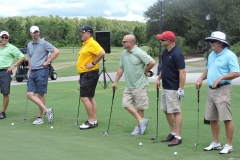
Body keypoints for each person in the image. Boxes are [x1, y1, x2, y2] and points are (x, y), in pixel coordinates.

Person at [195, 31, 240, 154]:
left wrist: (221, 78)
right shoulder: (212, 55)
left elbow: (236, 73)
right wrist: (200, 79)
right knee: (212, 118)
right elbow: (208, 70)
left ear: (221, 43)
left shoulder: (229, 55)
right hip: (211, 90)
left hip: (223, 89)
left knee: (226, 118)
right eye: (210, 41)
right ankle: (216, 143)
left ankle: (229, 145)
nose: (211, 43)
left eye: (213, 41)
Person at [112, 34, 155, 135]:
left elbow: (152, 62)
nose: (122, 43)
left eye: (124, 41)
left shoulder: (139, 52)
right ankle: (141, 121)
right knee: (126, 104)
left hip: (140, 84)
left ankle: (139, 127)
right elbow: (120, 68)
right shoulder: (124, 54)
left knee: (140, 107)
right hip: (129, 85)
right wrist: (115, 81)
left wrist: (146, 71)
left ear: (130, 43)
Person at [155, 31, 186, 146]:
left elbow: (182, 72)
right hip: (166, 86)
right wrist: (158, 78)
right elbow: (164, 68)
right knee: (166, 109)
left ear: (168, 41)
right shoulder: (165, 52)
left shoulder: (177, 54)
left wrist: (180, 89)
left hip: (173, 87)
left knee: (176, 111)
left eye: (162, 40)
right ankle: (173, 133)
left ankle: (178, 136)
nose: (160, 41)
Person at [27, 26, 60, 125]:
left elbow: (56, 51)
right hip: (32, 72)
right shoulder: (29, 45)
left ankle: (40, 117)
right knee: (29, 94)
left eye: (37, 32)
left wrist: (48, 62)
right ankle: (47, 110)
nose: (36, 34)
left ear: (39, 33)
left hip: (42, 71)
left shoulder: (44, 43)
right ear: (31, 34)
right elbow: (30, 58)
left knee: (40, 94)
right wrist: (29, 70)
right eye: (34, 32)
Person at [77, 25, 105, 129]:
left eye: (83, 32)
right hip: (85, 74)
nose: (82, 34)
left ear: (88, 34)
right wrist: (81, 74)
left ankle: (91, 120)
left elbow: (102, 53)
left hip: (90, 73)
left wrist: (93, 63)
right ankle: (94, 119)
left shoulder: (92, 43)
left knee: (84, 97)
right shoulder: (85, 44)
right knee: (89, 97)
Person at [0, 31, 25, 119]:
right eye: (2, 37)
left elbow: (22, 57)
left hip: (5, 72)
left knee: (5, 93)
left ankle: (3, 112)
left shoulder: (11, 47)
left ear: (8, 38)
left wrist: (13, 66)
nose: (4, 39)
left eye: (6, 37)